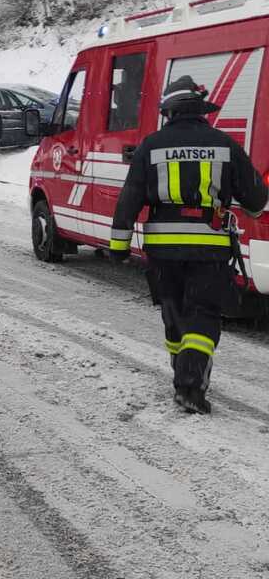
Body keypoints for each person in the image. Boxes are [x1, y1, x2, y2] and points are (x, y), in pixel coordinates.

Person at [110, 76, 267, 414]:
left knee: (174, 311)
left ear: (169, 112)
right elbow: (256, 200)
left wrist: (118, 246)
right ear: (200, 111)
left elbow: (129, 199)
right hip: (208, 248)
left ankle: (183, 371)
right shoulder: (224, 145)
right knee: (203, 313)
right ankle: (190, 385)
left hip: (163, 250)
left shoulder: (151, 146)